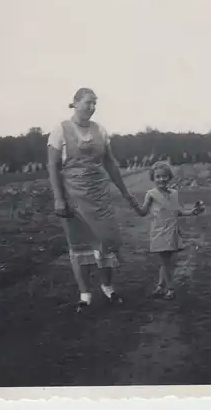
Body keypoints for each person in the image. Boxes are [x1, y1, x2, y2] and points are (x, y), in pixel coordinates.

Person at [47, 87, 138, 310]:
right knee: (79, 247)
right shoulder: (60, 129)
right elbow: (53, 165)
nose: (92, 107)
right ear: (75, 103)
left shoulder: (100, 130)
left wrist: (125, 191)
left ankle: (108, 288)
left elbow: (110, 163)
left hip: (99, 195)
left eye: (95, 103)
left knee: (106, 242)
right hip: (74, 198)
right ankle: (85, 294)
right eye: (88, 102)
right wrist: (59, 199)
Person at [132, 161, 205, 300]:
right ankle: (170, 289)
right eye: (158, 177)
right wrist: (133, 203)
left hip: (172, 232)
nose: (161, 179)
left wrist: (193, 211)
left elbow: (178, 212)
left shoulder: (174, 193)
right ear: (153, 178)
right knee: (166, 262)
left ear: (169, 177)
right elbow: (142, 212)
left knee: (166, 261)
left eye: (164, 176)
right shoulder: (151, 194)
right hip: (159, 232)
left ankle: (160, 286)